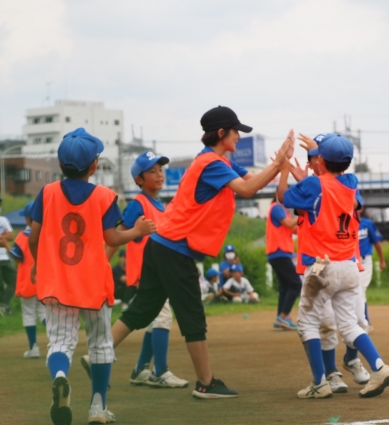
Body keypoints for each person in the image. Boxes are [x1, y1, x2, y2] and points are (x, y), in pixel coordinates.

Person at [108, 105, 292, 399]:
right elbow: (246, 190)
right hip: (174, 248)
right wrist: (278, 163)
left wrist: (281, 167)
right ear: (222, 133)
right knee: (191, 314)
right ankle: (206, 383)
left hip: (164, 245)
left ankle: (99, 353)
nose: (239, 138)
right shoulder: (211, 163)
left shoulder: (216, 161)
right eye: (236, 132)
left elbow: (254, 180)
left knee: (144, 308)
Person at [29, 128, 156, 425]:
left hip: (58, 283)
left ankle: (60, 376)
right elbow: (112, 239)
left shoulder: (47, 193)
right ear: (94, 166)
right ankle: (97, 407)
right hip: (94, 283)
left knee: (60, 342)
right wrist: (137, 231)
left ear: (60, 166)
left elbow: (34, 237)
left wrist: (38, 264)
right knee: (100, 343)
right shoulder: (104, 196)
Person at [278, 133, 389, 399]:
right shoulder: (351, 182)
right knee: (350, 325)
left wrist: (284, 168)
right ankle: (379, 366)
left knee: (307, 324)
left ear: (320, 159)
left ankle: (320, 383)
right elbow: (335, 189)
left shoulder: (314, 185)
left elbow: (283, 198)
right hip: (349, 266)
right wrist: (318, 159)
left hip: (322, 267)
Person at [84, 150, 189, 389]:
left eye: (160, 169)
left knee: (152, 318)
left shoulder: (159, 205)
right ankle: (160, 371)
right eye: (152, 171)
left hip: (159, 270)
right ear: (139, 179)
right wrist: (100, 264)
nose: (159, 174)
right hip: (146, 272)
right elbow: (115, 237)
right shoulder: (138, 204)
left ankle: (140, 369)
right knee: (162, 318)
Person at [10, 201, 45, 358]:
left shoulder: (22, 236)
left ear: (27, 219)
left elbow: (16, 257)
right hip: (45, 281)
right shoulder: (47, 235)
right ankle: (56, 344)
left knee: (29, 314)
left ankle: (33, 348)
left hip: (28, 281)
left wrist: (5, 245)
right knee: (45, 314)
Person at [266, 198, 300, 330]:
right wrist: (304, 212)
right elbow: (290, 224)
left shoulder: (282, 210)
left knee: (285, 287)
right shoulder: (276, 208)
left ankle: (280, 318)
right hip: (279, 252)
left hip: (278, 253)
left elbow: (293, 229)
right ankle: (283, 316)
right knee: (296, 284)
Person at [357, 209, 386, 332]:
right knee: (354, 292)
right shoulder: (345, 223)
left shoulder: (367, 223)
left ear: (361, 208)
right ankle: (361, 322)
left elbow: (377, 243)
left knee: (360, 290)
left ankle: (365, 323)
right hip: (351, 262)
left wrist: (382, 260)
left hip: (365, 261)